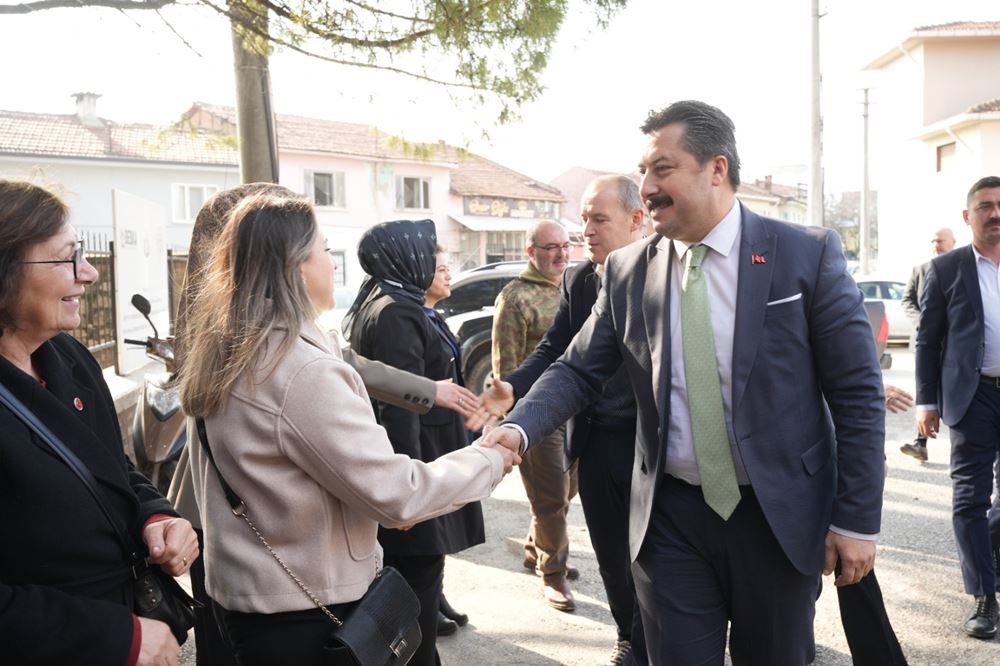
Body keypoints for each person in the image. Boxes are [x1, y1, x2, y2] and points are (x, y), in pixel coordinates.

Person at [482, 100, 886, 664]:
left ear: (716, 169)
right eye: (643, 171)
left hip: (775, 517)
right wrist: (519, 428)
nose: (646, 187)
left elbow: (857, 395)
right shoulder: (627, 271)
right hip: (669, 518)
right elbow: (576, 368)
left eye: (662, 168)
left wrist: (856, 518)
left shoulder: (804, 255)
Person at [182, 196, 516, 666]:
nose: (333, 263)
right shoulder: (297, 369)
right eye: (323, 249)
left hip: (255, 601)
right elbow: (397, 493)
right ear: (295, 266)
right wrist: (489, 459)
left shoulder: (233, 346)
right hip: (305, 609)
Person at [0, 179, 199, 666]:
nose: (88, 273)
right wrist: (115, 637)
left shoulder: (69, 357)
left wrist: (157, 517)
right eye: (68, 258)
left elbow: (113, 469)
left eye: (84, 254)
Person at [472, 175, 646, 664]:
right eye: (583, 219)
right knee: (612, 553)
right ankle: (629, 636)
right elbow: (558, 352)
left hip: (653, 442)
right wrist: (514, 388)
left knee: (657, 555)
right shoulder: (580, 280)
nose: (584, 231)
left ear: (636, 220)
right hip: (599, 438)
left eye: (598, 219)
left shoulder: (663, 273)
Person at [344, 218, 497, 666]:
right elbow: (399, 408)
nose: (436, 263)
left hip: (424, 451)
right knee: (416, 581)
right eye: (430, 255)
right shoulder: (397, 311)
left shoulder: (393, 300)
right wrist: (406, 487)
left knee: (416, 578)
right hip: (418, 457)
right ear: (405, 258)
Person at [916, 175, 1000, 639]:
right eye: (985, 206)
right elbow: (928, 340)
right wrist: (926, 400)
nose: (995, 213)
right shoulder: (946, 268)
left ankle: (988, 558)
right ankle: (984, 594)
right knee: (970, 498)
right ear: (968, 216)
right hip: (973, 396)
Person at [491, 219, 579, 612]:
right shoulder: (515, 297)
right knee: (551, 496)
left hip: (576, 406)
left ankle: (536, 548)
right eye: (551, 247)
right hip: (539, 413)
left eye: (565, 245)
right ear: (532, 252)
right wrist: (515, 419)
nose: (561, 253)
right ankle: (553, 573)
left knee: (567, 490)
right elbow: (506, 365)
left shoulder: (573, 287)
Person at [420, 246, 474, 637]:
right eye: (441, 269)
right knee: (430, 525)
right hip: (428, 433)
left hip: (447, 428)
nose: (449, 275)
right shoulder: (407, 316)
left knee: (441, 523)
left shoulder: (433, 314)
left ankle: (437, 595)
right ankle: (428, 601)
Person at [899, 227, 955, 461]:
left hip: (954, 344)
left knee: (956, 389)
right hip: (926, 342)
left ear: (953, 242)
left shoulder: (962, 268)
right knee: (927, 388)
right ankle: (920, 442)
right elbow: (907, 300)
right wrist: (922, 322)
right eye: (932, 241)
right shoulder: (920, 270)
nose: (936, 245)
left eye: (940, 240)